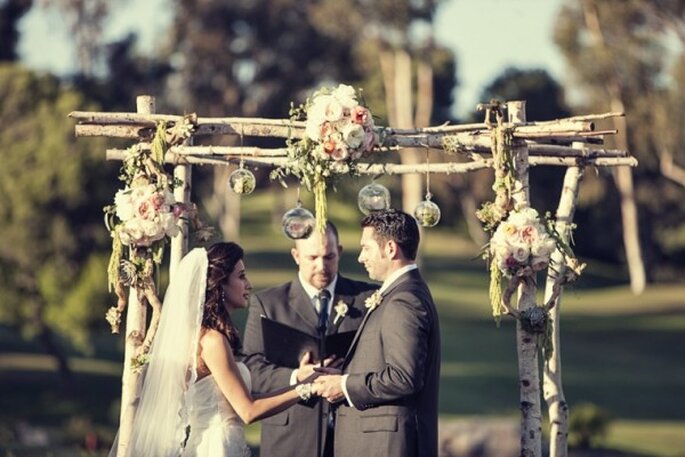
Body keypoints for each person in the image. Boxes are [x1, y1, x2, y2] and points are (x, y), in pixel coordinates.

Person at [114, 242, 315, 457]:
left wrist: (300, 381)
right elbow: (248, 410)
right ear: (220, 285)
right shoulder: (212, 341)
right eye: (241, 276)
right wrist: (307, 389)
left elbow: (234, 397)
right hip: (217, 448)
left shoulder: (198, 337)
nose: (249, 284)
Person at [243, 222, 377, 457]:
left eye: (329, 257)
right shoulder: (269, 303)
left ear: (340, 252)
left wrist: (346, 377)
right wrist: (297, 376)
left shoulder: (368, 298)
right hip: (290, 438)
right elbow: (251, 370)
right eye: (312, 257)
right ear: (296, 255)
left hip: (352, 437)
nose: (321, 266)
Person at [314, 209, 441, 457]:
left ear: (390, 248)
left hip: (387, 446)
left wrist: (345, 385)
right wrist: (343, 374)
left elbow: (404, 377)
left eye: (367, 248)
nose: (361, 257)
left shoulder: (404, 300)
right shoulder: (403, 292)